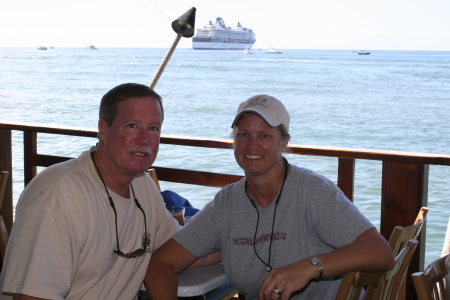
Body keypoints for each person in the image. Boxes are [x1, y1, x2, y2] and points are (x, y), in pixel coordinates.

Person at [144, 94, 395, 300]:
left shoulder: (313, 191)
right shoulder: (226, 203)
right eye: (244, 134)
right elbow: (161, 263)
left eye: (264, 135)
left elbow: (381, 252)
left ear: (284, 142)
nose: (252, 144)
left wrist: (310, 266)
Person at [0, 83, 181, 299]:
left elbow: (180, 247)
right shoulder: (57, 195)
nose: (144, 140)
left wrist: (230, 236)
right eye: (132, 126)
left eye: (153, 128)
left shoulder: (143, 186)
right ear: (103, 130)